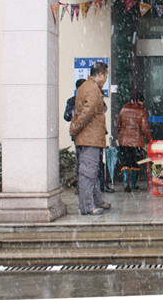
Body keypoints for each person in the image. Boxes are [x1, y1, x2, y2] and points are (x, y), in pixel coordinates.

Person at [69, 61, 111, 215]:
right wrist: (74, 128)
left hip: (88, 137)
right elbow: (87, 113)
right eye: (106, 75)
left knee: (92, 172)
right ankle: (87, 206)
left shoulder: (87, 86)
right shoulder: (93, 89)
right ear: (101, 74)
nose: (106, 78)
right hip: (90, 138)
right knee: (88, 173)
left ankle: (97, 201)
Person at [64, 79, 114, 194]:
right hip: (80, 137)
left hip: (95, 136)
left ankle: (102, 185)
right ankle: (81, 187)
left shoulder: (95, 97)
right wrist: (75, 112)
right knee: (81, 162)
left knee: (99, 162)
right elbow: (66, 116)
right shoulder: (72, 101)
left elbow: (104, 108)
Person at [117, 89, 152, 192]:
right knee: (135, 162)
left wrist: (122, 134)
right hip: (136, 141)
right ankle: (133, 184)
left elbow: (118, 125)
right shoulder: (141, 111)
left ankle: (125, 183)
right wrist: (150, 139)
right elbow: (145, 128)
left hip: (124, 140)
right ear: (140, 100)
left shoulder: (123, 109)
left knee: (125, 161)